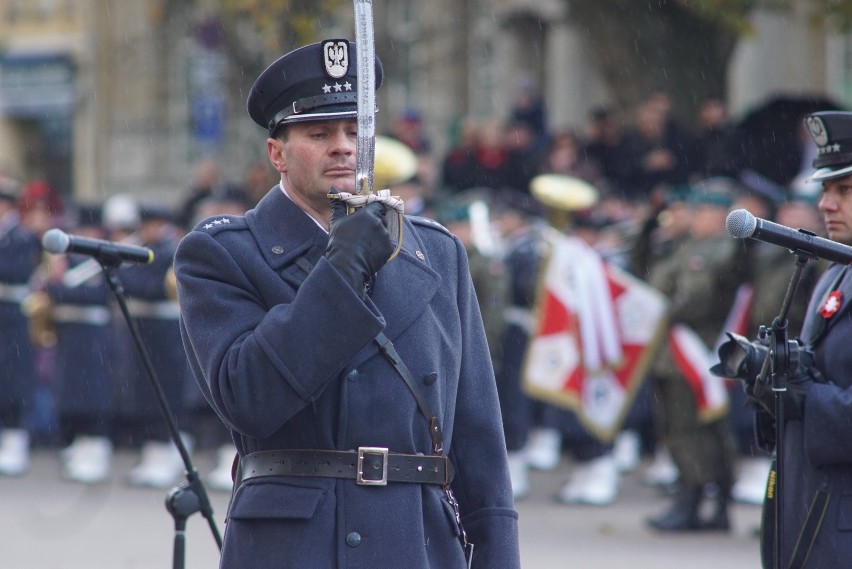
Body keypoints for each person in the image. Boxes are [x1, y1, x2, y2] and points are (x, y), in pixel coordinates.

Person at [173, 39, 520, 568]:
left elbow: (477, 443)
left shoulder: (436, 252)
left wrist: (498, 557)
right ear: (277, 153)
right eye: (319, 133)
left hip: (416, 540)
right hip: (293, 547)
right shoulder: (222, 254)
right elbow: (250, 396)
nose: (343, 146)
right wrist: (341, 270)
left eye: (357, 131)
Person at [720, 111, 852, 567]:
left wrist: (803, 395)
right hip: (812, 506)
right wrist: (773, 374)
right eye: (826, 190)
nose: (826, 205)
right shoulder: (835, 270)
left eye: (845, 191)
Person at [645, 179, 743, 532]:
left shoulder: (720, 250)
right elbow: (648, 275)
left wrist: (658, 310)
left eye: (702, 211)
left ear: (721, 214)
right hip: (673, 354)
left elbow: (695, 301)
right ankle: (695, 497)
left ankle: (699, 500)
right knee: (677, 429)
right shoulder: (685, 247)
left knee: (694, 431)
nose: (693, 217)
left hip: (698, 350)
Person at [0, 181, 41, 475]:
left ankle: (16, 441)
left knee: (14, 378)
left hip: (13, 313)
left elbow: (20, 272)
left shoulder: (21, 237)